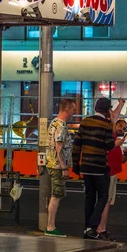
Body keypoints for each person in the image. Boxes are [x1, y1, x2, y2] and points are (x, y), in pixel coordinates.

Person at [73, 98, 125, 240]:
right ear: (107, 110)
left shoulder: (85, 122)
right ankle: (92, 225)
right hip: (100, 166)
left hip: (86, 166)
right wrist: (117, 143)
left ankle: (86, 229)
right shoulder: (106, 124)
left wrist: (76, 165)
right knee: (103, 197)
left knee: (89, 197)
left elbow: (77, 144)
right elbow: (108, 145)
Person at [45, 98, 77, 237]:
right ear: (67, 109)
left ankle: (50, 226)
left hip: (51, 162)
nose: (74, 112)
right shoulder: (62, 126)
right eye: (73, 109)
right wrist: (64, 167)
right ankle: (50, 227)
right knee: (56, 195)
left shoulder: (53, 123)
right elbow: (59, 147)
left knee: (56, 194)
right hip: (57, 165)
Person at [95, 119, 127, 242]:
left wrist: (125, 154)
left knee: (107, 201)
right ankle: (101, 229)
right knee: (105, 201)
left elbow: (121, 160)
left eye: (124, 128)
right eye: (120, 125)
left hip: (112, 172)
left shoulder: (117, 141)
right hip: (107, 173)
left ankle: (100, 228)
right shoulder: (111, 139)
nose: (122, 129)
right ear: (114, 125)